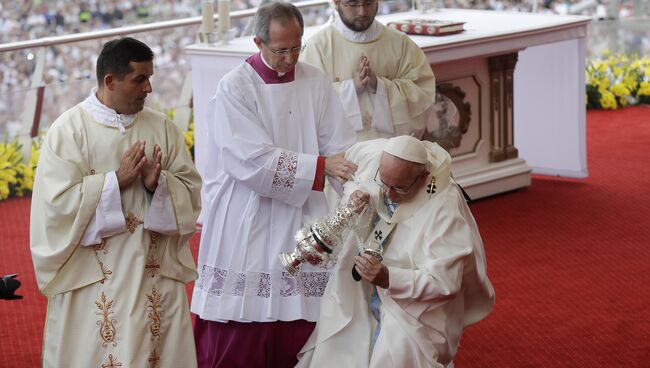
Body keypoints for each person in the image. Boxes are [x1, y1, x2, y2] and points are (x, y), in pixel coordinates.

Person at [190, 2, 358, 367]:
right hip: (247, 212)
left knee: (305, 310)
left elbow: (340, 145)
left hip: (304, 212)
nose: (290, 58)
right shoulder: (235, 87)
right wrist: (320, 167)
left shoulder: (314, 80)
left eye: (297, 47)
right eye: (281, 50)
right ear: (258, 42)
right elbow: (249, 160)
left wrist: (356, 190)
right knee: (243, 319)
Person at [30, 37, 202, 367]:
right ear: (110, 81)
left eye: (150, 77)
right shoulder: (69, 131)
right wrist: (114, 182)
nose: (149, 88)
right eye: (140, 79)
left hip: (152, 277)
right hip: (94, 281)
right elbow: (54, 208)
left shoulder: (161, 126)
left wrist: (158, 185)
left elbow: (191, 189)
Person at [296, 135, 495, 368]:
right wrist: (354, 198)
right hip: (363, 279)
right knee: (340, 335)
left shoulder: (443, 205)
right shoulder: (373, 155)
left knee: (398, 351)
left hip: (413, 304)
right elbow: (352, 179)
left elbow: (446, 282)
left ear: (421, 178)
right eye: (384, 183)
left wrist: (389, 278)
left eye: (398, 187)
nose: (388, 194)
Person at [300, 0, 436, 141]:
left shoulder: (400, 43)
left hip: (391, 151)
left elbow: (422, 94)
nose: (362, 12)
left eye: (368, 3)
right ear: (336, 2)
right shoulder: (317, 47)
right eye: (353, 5)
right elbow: (305, 102)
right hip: (339, 155)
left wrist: (380, 86)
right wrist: (351, 88)